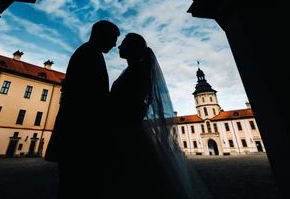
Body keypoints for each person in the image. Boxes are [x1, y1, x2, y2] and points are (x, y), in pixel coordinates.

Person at [108, 33, 194, 199]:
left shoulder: (135, 71)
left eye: (123, 44)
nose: (119, 47)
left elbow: (129, 103)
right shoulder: (135, 70)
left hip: (127, 129)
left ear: (132, 48)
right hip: (129, 128)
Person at [44, 20, 120, 199]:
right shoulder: (89, 54)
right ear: (101, 34)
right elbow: (92, 98)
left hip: (76, 131)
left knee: (72, 184)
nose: (115, 44)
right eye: (113, 38)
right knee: (77, 185)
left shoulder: (88, 52)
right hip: (80, 133)